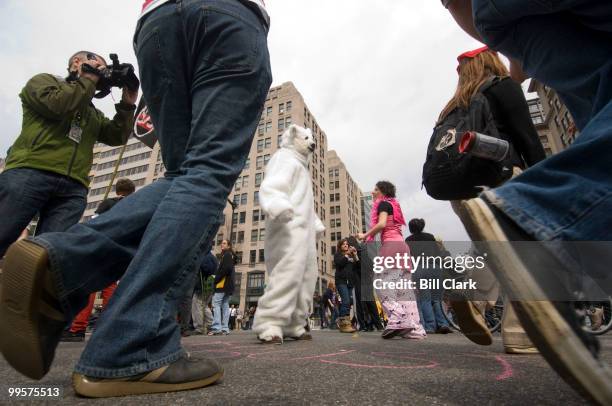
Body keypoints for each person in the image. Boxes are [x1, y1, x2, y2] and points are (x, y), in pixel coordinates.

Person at [0, 0, 271, 397]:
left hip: (156, 23)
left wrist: (127, 99)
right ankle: (131, 347)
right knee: (208, 170)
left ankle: (61, 263)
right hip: (226, 15)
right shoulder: (48, 83)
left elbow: (116, 133)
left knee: (184, 174)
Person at [443, 1, 612, 403]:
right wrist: (547, 187)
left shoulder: (457, 104)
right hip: (508, 181)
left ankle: (473, 290)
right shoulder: (501, 88)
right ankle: (519, 327)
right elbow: (527, 134)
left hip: (466, 188)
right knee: (522, 231)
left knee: (502, 244)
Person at [0, 51, 136, 258]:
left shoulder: (92, 112)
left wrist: (127, 104)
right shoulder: (44, 82)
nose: (101, 72)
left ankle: (29, 290)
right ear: (77, 62)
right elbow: (59, 105)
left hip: (73, 187)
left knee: (49, 255)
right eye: (97, 66)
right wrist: (88, 79)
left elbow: (117, 136)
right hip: (31, 171)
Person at [61, 179, 136, 342]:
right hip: (123, 250)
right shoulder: (137, 205)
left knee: (90, 286)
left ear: (117, 191)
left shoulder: (109, 203)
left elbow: (96, 221)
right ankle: (110, 327)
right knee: (111, 288)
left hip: (103, 246)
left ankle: (77, 328)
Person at [358, 181, 426, 340]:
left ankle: (398, 317)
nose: (373, 192)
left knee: (381, 281)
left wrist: (365, 235)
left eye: (376, 189)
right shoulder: (393, 205)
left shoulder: (383, 204)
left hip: (390, 246)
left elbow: (381, 224)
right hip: (402, 246)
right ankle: (414, 328)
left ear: (383, 192)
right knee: (404, 290)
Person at [405, 219, 451, 334]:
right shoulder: (430, 237)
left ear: (411, 228)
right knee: (437, 299)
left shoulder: (408, 240)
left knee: (425, 299)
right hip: (433, 267)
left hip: (419, 269)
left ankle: (430, 326)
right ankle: (443, 324)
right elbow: (437, 253)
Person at [347, 236, 384, 332]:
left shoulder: (361, 251)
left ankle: (373, 324)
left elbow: (364, 268)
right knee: (364, 303)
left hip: (364, 280)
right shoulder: (358, 251)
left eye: (348, 246)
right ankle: (369, 325)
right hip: (361, 280)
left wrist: (355, 257)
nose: (348, 248)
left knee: (367, 302)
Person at [209, 240, 236, 336]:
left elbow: (226, 269)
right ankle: (225, 328)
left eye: (224, 243)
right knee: (225, 305)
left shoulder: (227, 255)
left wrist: (216, 278)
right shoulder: (230, 255)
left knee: (216, 304)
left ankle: (217, 327)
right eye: (221, 243)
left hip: (222, 284)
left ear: (229, 246)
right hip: (228, 285)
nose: (222, 244)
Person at [333, 239, 358, 333]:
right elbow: (339, 263)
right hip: (341, 281)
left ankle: (346, 322)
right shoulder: (338, 255)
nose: (346, 245)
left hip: (350, 282)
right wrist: (347, 255)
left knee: (349, 302)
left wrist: (355, 254)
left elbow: (357, 265)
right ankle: (343, 324)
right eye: (343, 244)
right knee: (346, 301)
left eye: (347, 244)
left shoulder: (351, 255)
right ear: (340, 246)